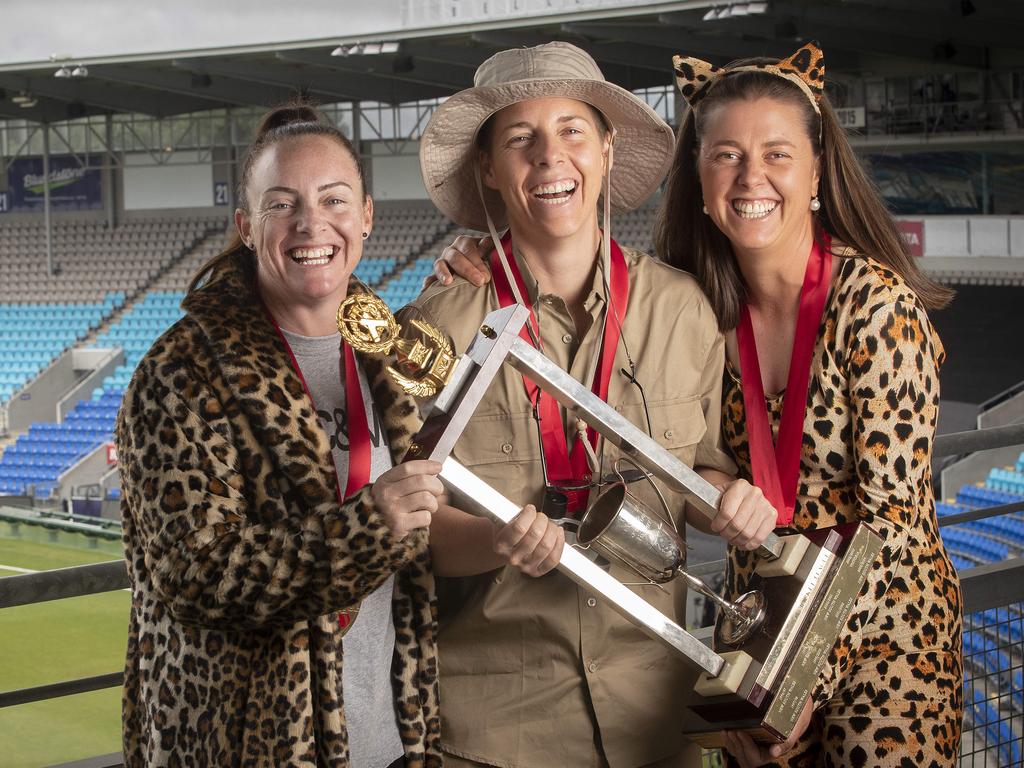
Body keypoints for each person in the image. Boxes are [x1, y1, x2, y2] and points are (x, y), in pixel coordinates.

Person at [406, 42, 777, 768]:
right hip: (495, 734)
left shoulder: (681, 309)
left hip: (655, 719)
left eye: (573, 130)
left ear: (607, 149)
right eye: (520, 139)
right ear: (488, 168)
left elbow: (702, 475)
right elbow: (407, 527)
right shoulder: (439, 328)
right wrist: (495, 542)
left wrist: (737, 503)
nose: (550, 158)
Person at [657, 43, 963, 766]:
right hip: (762, 635)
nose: (751, 176)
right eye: (726, 154)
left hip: (886, 644)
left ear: (818, 170)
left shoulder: (876, 309)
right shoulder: (691, 310)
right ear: (698, 178)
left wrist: (793, 685)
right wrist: (486, 261)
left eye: (778, 154)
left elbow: (894, 530)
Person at [117, 104, 444, 767]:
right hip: (249, 745)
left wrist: (503, 536)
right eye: (282, 204)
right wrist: (367, 524)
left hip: (386, 738)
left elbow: (420, 533)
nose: (310, 223)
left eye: (333, 199)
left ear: (367, 217)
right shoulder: (182, 371)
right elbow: (196, 575)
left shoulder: (394, 354)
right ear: (247, 226)